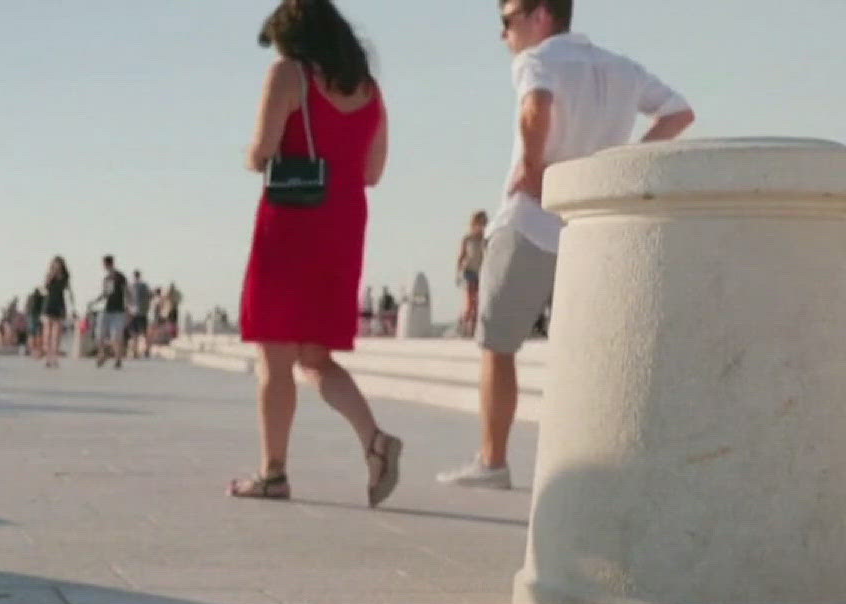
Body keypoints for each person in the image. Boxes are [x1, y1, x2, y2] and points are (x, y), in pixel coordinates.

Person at [439, 0, 694, 489]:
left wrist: (535, 172)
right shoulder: (621, 68)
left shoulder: (537, 60)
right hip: (592, 226)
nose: (503, 34)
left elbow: (537, 107)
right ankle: (601, 465)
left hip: (531, 224)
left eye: (508, 19)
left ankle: (492, 461)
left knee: (497, 344)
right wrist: (621, 170)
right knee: (590, 349)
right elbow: (680, 113)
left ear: (541, 16)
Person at [232, 0, 402, 508]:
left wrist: (253, 155)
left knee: (274, 353)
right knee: (315, 356)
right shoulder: (370, 91)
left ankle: (273, 473)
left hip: (292, 219)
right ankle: (375, 440)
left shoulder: (289, 73)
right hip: (344, 222)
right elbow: (373, 172)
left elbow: (261, 150)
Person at [455, 211, 490, 337]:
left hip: (482, 273)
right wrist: (458, 273)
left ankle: (474, 330)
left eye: (484, 223)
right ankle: (463, 324)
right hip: (469, 272)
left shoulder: (486, 239)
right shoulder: (467, 239)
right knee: (470, 303)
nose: (481, 226)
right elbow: (462, 256)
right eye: (479, 223)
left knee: (479, 303)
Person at [40, 256, 73, 367]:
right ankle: (48, 357)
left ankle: (55, 358)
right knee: (47, 333)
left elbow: (69, 291)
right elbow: (45, 287)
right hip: (49, 303)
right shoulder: (49, 275)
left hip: (59, 304)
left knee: (56, 335)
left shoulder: (65, 277)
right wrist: (51, 276)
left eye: (58, 264)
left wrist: (72, 306)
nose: (57, 266)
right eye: (55, 264)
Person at [128, 271, 155, 358]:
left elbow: (128, 299)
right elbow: (151, 296)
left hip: (134, 313)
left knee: (135, 333)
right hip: (142, 312)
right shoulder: (144, 285)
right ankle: (146, 350)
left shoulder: (131, 286)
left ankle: (136, 352)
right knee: (144, 333)